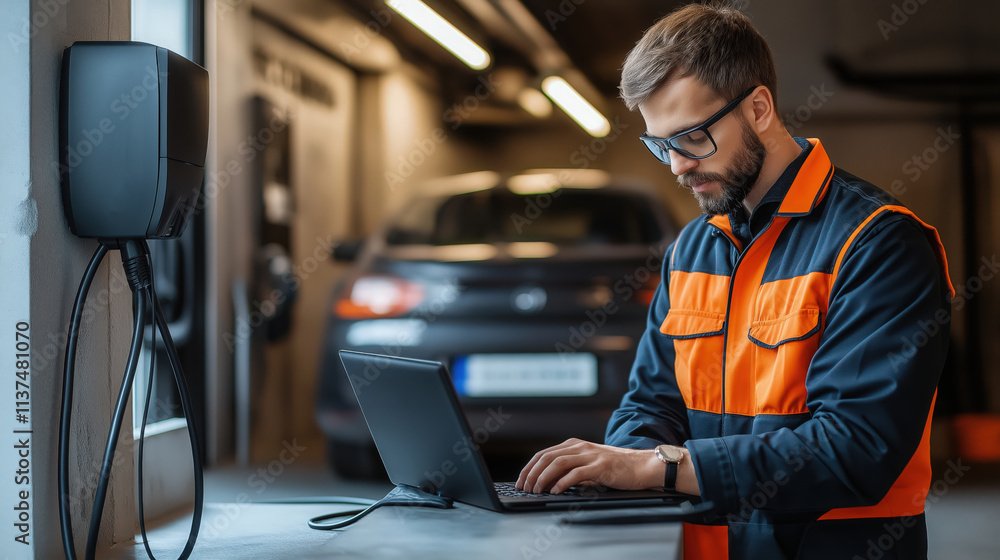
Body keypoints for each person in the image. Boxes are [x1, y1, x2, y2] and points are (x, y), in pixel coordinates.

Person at [514, 4, 953, 559]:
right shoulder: (691, 248)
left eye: (692, 138)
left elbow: (856, 448)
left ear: (760, 108)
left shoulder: (878, 243)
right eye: (660, 144)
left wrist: (660, 468)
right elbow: (648, 404)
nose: (676, 165)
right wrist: (623, 463)